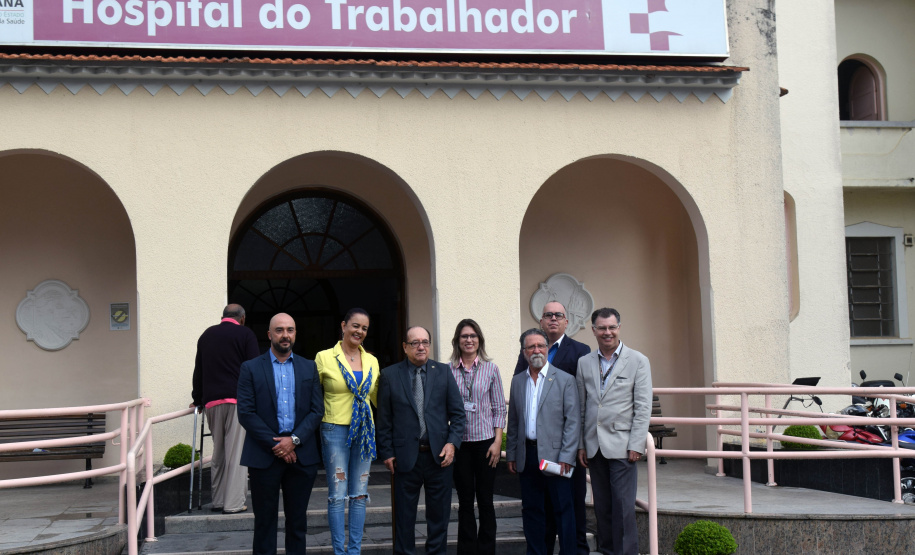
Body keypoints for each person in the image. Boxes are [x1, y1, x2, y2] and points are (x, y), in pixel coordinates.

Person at [237, 313, 324, 555]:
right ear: (269, 335)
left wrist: (293, 441)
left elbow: (317, 410)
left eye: (290, 330)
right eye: (279, 330)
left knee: (298, 523)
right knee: (264, 524)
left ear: (295, 334)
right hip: (264, 457)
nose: (285, 335)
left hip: (301, 455)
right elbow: (246, 413)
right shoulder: (250, 368)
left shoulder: (309, 367)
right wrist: (278, 445)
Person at [376, 326, 466, 555]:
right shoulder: (389, 375)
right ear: (405, 347)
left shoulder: (443, 372)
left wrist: (452, 443)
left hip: (439, 457)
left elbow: (458, 414)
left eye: (425, 342)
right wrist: (386, 452)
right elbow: (384, 419)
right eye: (415, 343)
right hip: (405, 458)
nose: (421, 347)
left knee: (439, 517)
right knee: (404, 517)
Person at [513, 301, 590, 554]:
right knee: (532, 511)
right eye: (531, 346)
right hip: (528, 456)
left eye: (541, 345)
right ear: (524, 352)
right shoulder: (517, 382)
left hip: (557, 458)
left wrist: (568, 456)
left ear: (548, 349)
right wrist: (513, 454)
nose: (536, 349)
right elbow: (513, 420)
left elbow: (573, 421)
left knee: (563, 511)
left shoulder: (565, 379)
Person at [576, 308, 652, 555]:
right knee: (603, 507)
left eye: (611, 327)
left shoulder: (638, 361)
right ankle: (608, 551)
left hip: (623, 446)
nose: (607, 332)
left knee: (622, 507)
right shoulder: (585, 362)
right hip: (594, 445)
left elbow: (642, 407)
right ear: (594, 330)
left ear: (619, 327)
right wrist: (581, 445)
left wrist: (636, 444)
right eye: (602, 328)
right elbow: (581, 406)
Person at [315, 308, 380, 555]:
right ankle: (339, 552)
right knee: (338, 495)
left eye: (364, 328)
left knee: (359, 494)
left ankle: (354, 551)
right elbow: (312, 395)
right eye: (355, 326)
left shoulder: (372, 360)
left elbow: (378, 398)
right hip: (335, 430)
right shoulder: (324, 357)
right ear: (343, 326)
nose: (359, 331)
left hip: (365, 432)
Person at [190, 303, 260, 514]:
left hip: (212, 403)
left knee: (218, 452)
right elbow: (254, 367)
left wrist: (198, 398)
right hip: (237, 400)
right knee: (237, 452)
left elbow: (199, 370)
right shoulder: (245, 334)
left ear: (223, 316)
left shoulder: (206, 335)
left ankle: (218, 500)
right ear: (242, 318)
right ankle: (234, 504)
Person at [448, 319, 506, 555]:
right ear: (457, 341)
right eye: (464, 336)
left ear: (479, 340)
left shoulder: (491, 369)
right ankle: (467, 550)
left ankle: (486, 550)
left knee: (485, 500)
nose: (469, 340)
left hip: (485, 444)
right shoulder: (447, 370)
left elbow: (499, 408)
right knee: (464, 502)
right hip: (460, 444)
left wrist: (497, 441)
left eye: (473, 336)